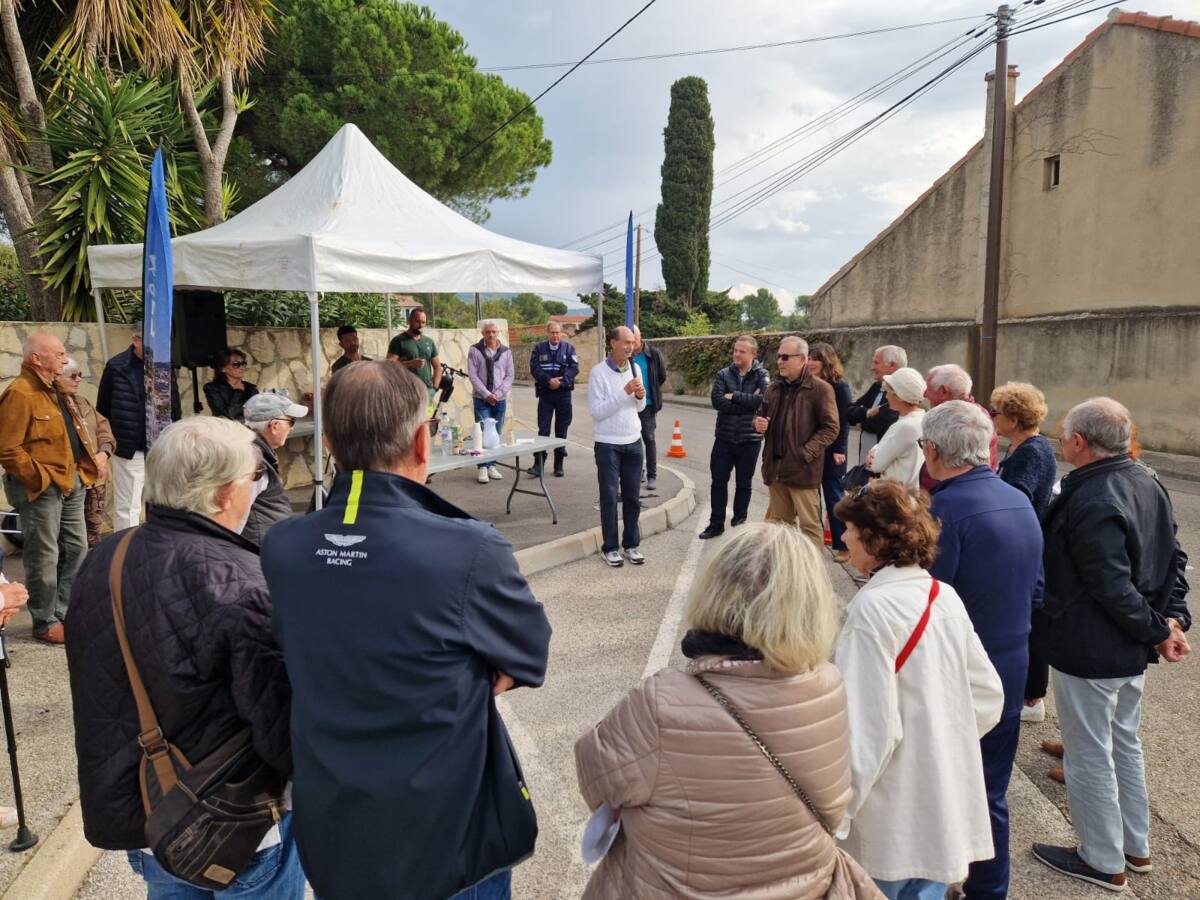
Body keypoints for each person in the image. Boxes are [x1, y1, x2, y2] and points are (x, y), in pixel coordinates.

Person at [261, 361, 551, 900]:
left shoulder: (283, 545)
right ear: (423, 440)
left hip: (335, 834)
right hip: (450, 841)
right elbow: (528, 658)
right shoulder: (470, 549)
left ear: (328, 443)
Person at [575, 522, 880, 899]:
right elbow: (831, 807)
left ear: (715, 591)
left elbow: (598, 782)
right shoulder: (828, 685)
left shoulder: (661, 704)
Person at [64, 416, 301, 899]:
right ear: (221, 494)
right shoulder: (245, 581)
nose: (259, 489)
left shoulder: (104, 557)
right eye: (255, 478)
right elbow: (282, 736)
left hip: (151, 814)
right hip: (240, 823)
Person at [1031, 398, 1190, 892]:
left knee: (1090, 752)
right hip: (1121, 645)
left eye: (1065, 433)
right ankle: (1134, 848)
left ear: (1079, 441)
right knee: (1121, 743)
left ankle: (1102, 859)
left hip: (1094, 646)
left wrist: (1164, 627)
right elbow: (1172, 560)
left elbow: (1112, 584)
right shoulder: (1145, 479)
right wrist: (1169, 621)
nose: (1061, 439)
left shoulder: (1094, 495)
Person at [834, 480, 1004, 900]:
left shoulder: (872, 609)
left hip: (889, 816)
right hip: (940, 810)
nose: (842, 537)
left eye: (851, 530)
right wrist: (940, 742)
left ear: (875, 540)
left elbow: (867, 730)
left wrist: (835, 816)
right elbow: (987, 694)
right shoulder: (941, 595)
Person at [922, 400, 1043, 900]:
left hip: (955, 670)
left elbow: (924, 599)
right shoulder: (1019, 500)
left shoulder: (944, 510)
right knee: (991, 789)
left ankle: (926, 882)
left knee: (934, 785)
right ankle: (989, 890)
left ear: (933, 451)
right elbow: (1037, 591)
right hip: (1012, 660)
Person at [0, 333, 98, 644]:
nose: (64, 358)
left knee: (77, 548)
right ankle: (44, 620)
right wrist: (41, 478)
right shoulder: (20, 393)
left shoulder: (55, 390)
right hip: (43, 488)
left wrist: (82, 470)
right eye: (58, 353)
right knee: (44, 553)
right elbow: (7, 448)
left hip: (71, 482)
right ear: (36, 358)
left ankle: (65, 613)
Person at [989, 382, 1058, 725]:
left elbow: (1018, 497)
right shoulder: (1023, 446)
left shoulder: (1031, 451)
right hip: (1025, 540)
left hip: (1025, 544)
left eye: (996, 412)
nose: (993, 417)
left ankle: (1032, 697)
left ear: (1014, 419)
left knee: (1029, 622)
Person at [754, 336, 838, 546]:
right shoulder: (774, 388)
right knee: (781, 527)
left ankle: (812, 576)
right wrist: (757, 423)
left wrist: (805, 453)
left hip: (803, 471)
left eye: (785, 357)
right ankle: (786, 569)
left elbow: (831, 427)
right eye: (778, 357)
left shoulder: (820, 389)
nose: (780, 361)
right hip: (776, 469)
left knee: (810, 528)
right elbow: (759, 415)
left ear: (802, 359)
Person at [97, 329, 181, 530]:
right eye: (150, 343)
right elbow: (103, 408)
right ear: (135, 340)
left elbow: (174, 405)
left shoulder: (165, 366)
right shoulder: (116, 366)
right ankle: (125, 553)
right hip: (129, 446)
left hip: (161, 446)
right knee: (128, 506)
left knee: (163, 502)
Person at [699, 335, 770, 540]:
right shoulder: (723, 374)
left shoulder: (762, 374)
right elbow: (718, 402)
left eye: (742, 351)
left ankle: (739, 523)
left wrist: (735, 396)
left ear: (753, 354)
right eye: (735, 350)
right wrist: (748, 402)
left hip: (750, 441)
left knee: (744, 484)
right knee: (718, 482)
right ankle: (716, 524)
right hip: (724, 439)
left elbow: (764, 401)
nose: (736, 354)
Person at [588, 326, 647, 567]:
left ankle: (631, 544)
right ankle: (610, 547)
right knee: (610, 498)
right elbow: (597, 412)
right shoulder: (598, 373)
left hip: (633, 441)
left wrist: (640, 397)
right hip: (608, 444)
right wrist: (624, 393)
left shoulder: (635, 368)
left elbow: (639, 409)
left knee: (633, 497)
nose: (630, 347)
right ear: (612, 343)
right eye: (626, 342)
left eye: (633, 342)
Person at [57, 358, 115, 548]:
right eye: (73, 376)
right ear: (57, 377)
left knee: (93, 533)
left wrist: (104, 454)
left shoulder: (82, 402)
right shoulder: (53, 405)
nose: (78, 380)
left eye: (80, 375)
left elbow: (104, 429)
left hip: (96, 479)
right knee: (71, 538)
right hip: (71, 481)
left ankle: (92, 573)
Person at [241, 392, 308, 546]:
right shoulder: (253, 460)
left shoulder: (253, 450)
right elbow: (238, 513)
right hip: (258, 549)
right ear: (274, 426)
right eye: (291, 421)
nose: (292, 428)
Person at [808, 342, 853, 562]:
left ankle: (844, 545)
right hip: (811, 448)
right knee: (809, 499)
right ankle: (812, 542)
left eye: (815, 359)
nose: (810, 363)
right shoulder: (808, 384)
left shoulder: (839, 387)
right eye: (808, 358)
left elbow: (843, 422)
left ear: (826, 361)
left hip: (832, 450)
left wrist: (839, 449)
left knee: (834, 498)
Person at [919, 364, 998, 491]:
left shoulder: (968, 420)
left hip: (950, 498)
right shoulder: (975, 414)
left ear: (943, 391)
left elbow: (960, 467)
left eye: (928, 388)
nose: (925, 394)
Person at [528, 320, 579, 478]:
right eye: (552, 332)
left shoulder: (569, 348)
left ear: (561, 333)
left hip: (563, 394)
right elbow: (534, 368)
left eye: (558, 332)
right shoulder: (539, 348)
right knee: (543, 430)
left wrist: (561, 382)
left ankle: (558, 464)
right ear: (547, 333)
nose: (555, 335)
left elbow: (574, 368)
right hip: (546, 393)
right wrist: (548, 381)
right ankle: (539, 464)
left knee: (561, 431)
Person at [467, 321, 514, 484]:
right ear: (483, 334)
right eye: (488, 332)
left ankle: (492, 464)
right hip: (481, 398)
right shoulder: (475, 350)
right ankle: (482, 467)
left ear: (498, 333)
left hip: (500, 399)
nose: (491, 335)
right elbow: (473, 376)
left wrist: (498, 393)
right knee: (482, 433)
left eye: (494, 332)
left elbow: (510, 376)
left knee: (496, 432)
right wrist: (487, 394)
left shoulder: (506, 352)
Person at [864, 367, 925, 490]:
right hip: (911, 494)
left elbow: (875, 465)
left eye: (889, 392)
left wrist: (873, 451)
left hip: (896, 495)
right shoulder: (923, 417)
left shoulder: (904, 426)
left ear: (899, 396)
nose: (886, 397)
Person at [844, 345, 905, 463]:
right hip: (865, 462)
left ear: (892, 365)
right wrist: (868, 413)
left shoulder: (901, 392)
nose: (872, 367)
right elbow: (848, 412)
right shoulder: (876, 387)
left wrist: (862, 418)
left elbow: (883, 424)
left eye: (876, 363)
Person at [631, 325, 667, 492]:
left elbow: (661, 376)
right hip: (630, 404)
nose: (632, 344)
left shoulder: (653, 354)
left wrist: (650, 391)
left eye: (634, 340)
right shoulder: (626, 355)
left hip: (648, 404)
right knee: (633, 439)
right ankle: (639, 472)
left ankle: (652, 475)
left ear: (640, 338)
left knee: (649, 438)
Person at [386, 308, 441, 404]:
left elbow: (437, 367)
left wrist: (434, 388)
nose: (421, 325)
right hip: (406, 393)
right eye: (417, 322)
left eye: (423, 322)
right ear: (410, 321)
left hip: (426, 392)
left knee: (427, 419)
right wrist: (410, 363)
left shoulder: (429, 342)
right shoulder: (398, 341)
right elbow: (389, 365)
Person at [204, 347, 259, 420]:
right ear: (223, 368)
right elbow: (224, 416)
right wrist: (238, 393)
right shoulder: (212, 388)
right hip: (227, 429)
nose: (241, 367)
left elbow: (258, 413)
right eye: (236, 364)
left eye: (243, 363)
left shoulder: (251, 388)